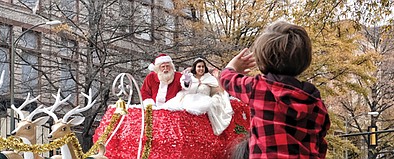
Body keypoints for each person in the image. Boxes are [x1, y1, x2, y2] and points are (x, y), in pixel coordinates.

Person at [93, 55, 249, 159]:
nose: (166, 69)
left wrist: (187, 80)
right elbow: (145, 93)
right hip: (154, 109)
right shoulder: (151, 78)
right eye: (163, 67)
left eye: (168, 66)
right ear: (157, 69)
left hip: (174, 105)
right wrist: (149, 105)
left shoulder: (180, 76)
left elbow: (188, 86)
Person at [220, 21, 330, 158]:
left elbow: (226, 79)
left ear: (263, 57)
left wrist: (232, 67)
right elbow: (320, 146)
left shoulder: (258, 88)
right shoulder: (317, 105)